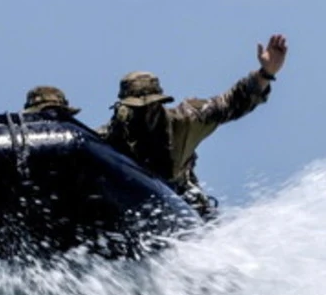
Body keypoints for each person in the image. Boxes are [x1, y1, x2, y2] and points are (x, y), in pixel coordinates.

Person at [101, 34, 288, 217]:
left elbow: (231, 102)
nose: (144, 113)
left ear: (159, 104)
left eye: (149, 106)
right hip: (131, 204)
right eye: (137, 108)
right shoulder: (118, 130)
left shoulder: (186, 120)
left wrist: (265, 74)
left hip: (181, 201)